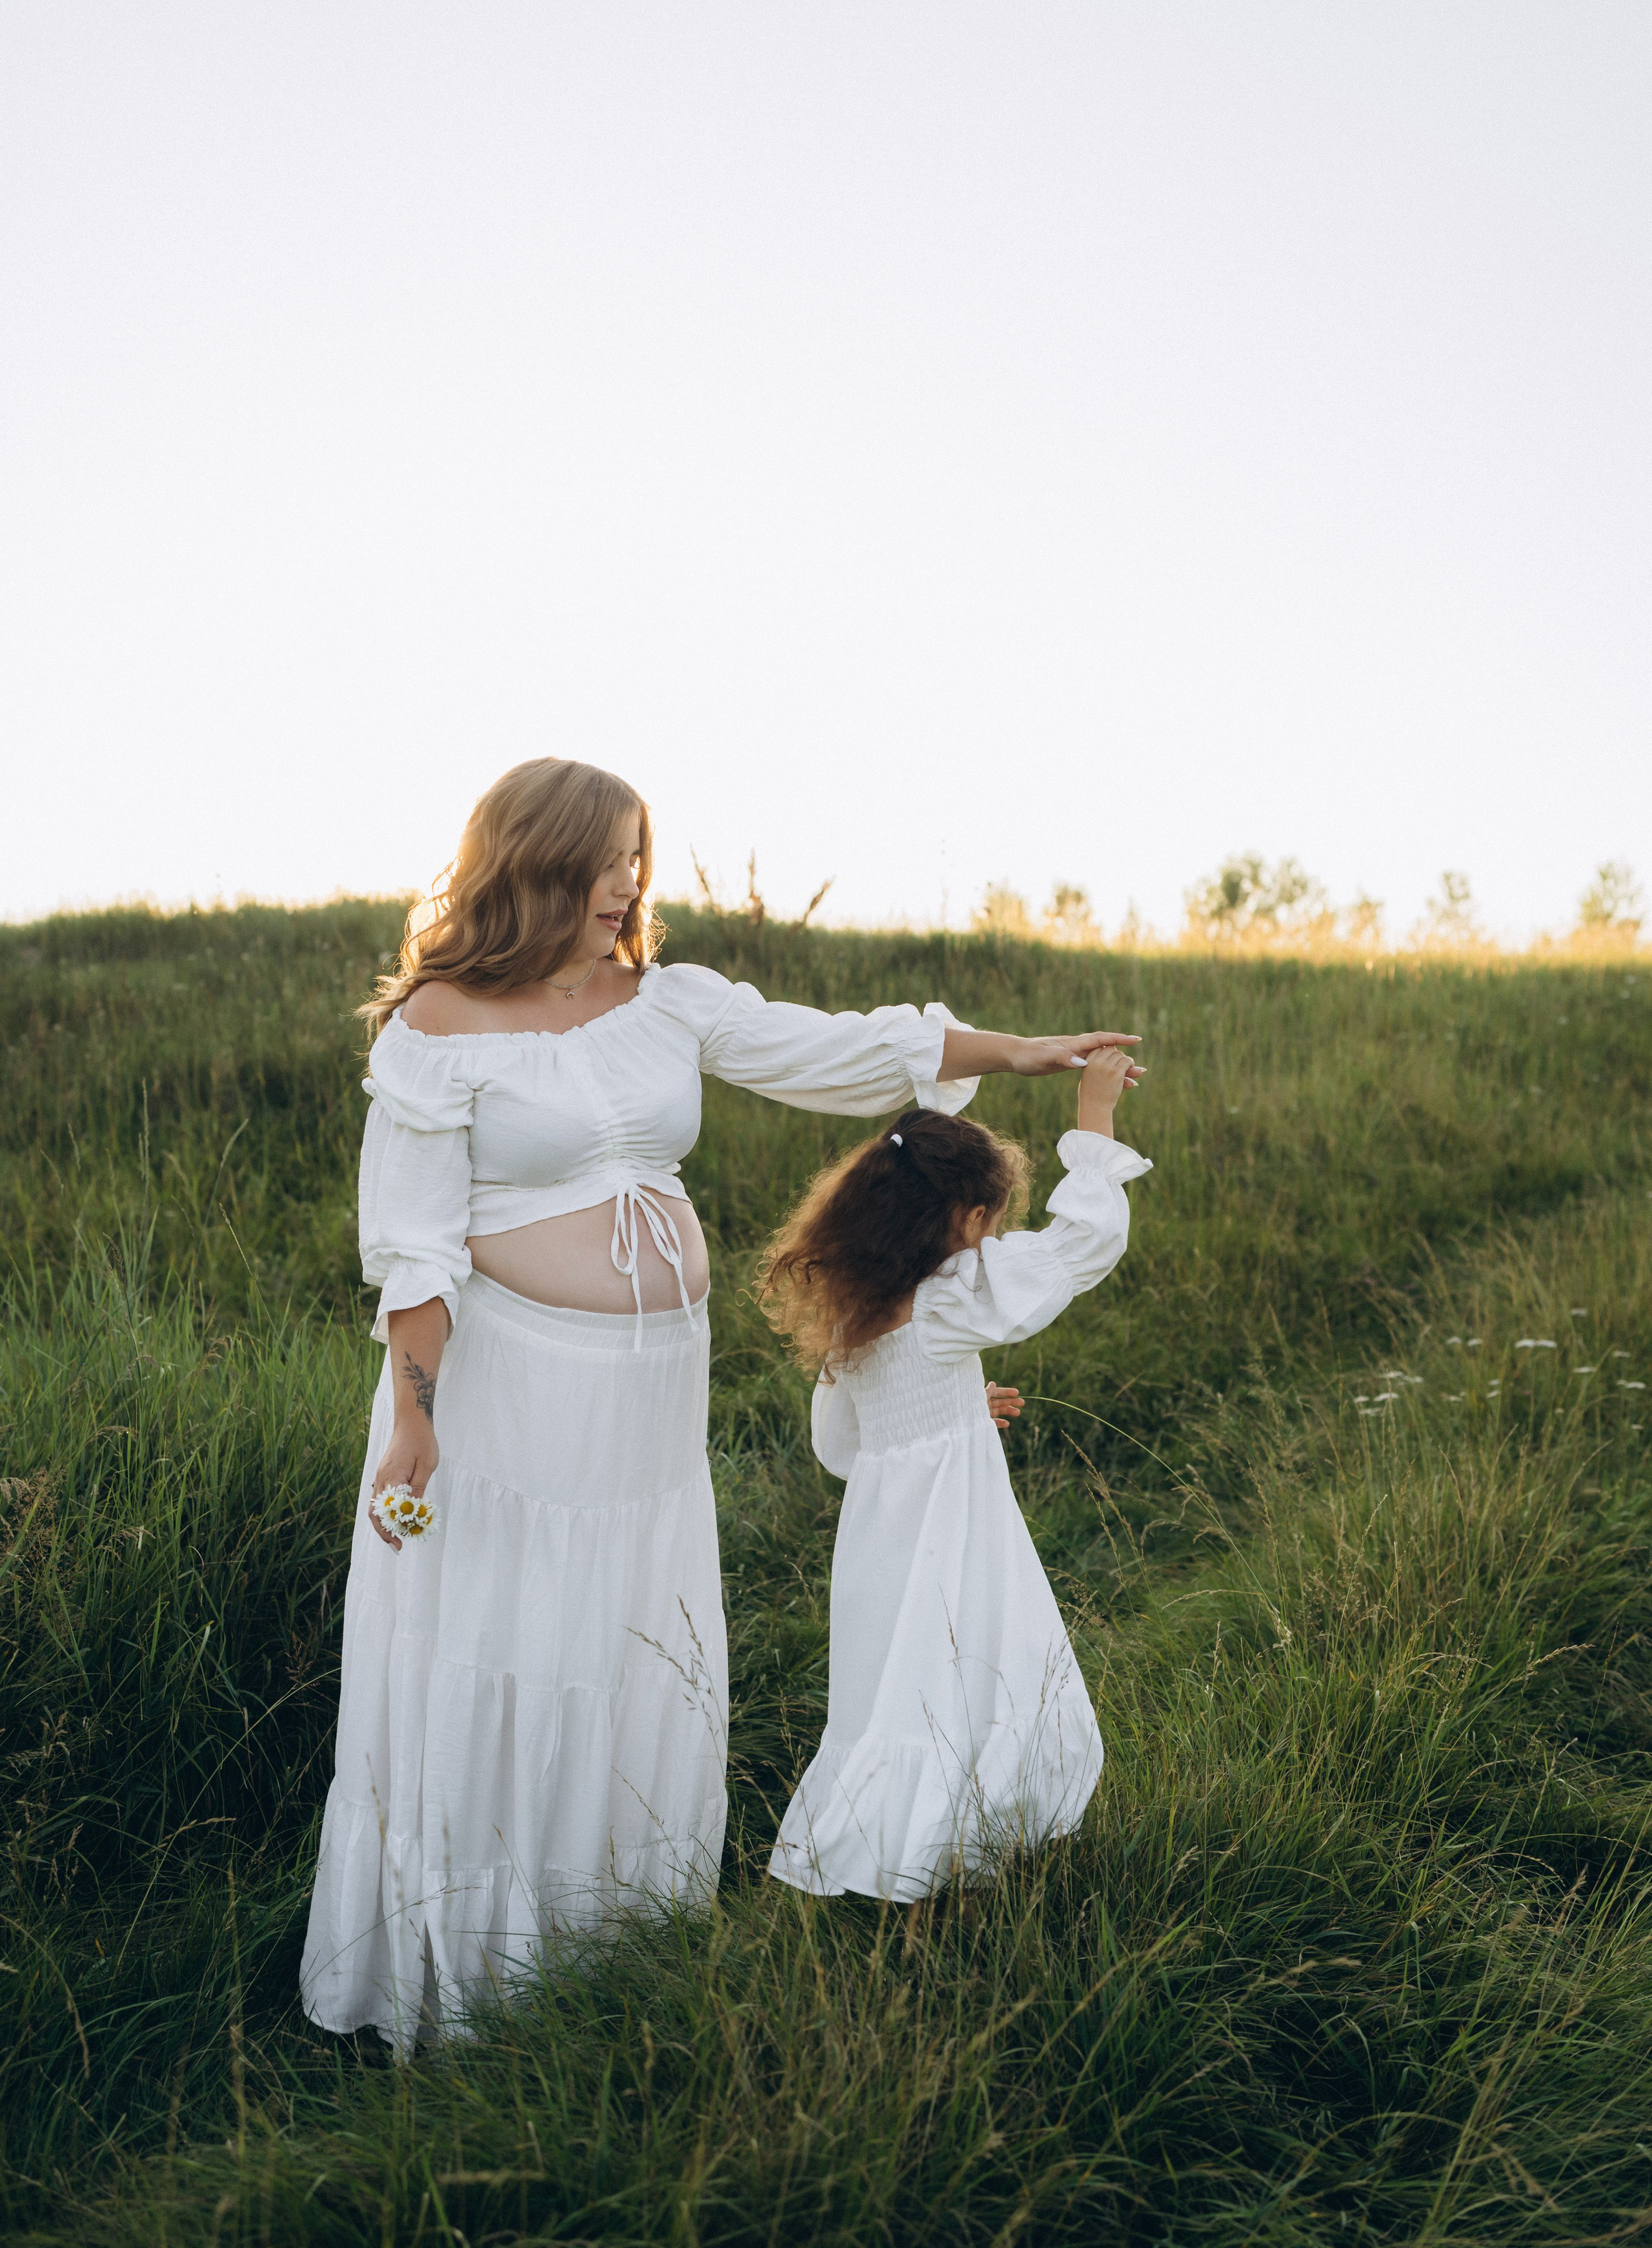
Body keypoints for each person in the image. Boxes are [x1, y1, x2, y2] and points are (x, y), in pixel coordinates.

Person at [298, 754, 1142, 2049]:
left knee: (624, 1632)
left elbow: (847, 1049)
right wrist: (417, 1416)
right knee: (511, 1634)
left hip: (648, 1394)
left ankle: (612, 1935)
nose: (627, 882)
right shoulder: (435, 1027)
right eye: (603, 858)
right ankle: (478, 1960)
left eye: (637, 854)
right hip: (513, 1390)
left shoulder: (668, 1000)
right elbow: (412, 1247)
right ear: (527, 859)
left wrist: (1023, 1054)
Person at [758, 1045, 1150, 1903]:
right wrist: (1096, 1114)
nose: (998, 1237)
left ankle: (888, 1855)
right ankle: (946, 1871)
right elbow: (1081, 1245)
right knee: (974, 1666)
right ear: (967, 1221)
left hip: (882, 1538)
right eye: (994, 1220)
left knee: (894, 1688)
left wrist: (953, 1413)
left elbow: (842, 1445)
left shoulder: (857, 1310)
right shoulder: (946, 1301)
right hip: (952, 1530)